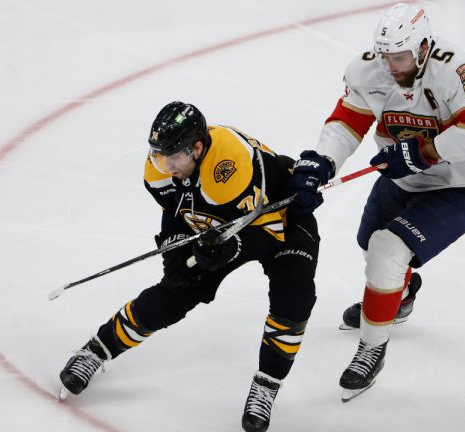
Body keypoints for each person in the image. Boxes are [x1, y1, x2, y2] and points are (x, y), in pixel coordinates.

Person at [59, 101, 320, 432]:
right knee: (175, 291)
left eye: (172, 156)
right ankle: (97, 350)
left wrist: (227, 247)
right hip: (220, 223)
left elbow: (263, 235)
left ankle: (267, 384)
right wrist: (175, 252)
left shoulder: (228, 166)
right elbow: (175, 214)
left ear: (197, 148)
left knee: (294, 298)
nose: (164, 165)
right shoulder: (162, 168)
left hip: (278, 220)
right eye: (157, 155)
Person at [288, 3, 465, 402]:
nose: (391, 65)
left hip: (459, 183)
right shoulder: (368, 69)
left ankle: (372, 347)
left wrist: (425, 152)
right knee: (370, 243)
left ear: (422, 48)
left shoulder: (455, 69)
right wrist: (323, 160)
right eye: (386, 56)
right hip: (405, 176)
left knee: (387, 252)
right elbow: (348, 121)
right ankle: (399, 297)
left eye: (399, 57)